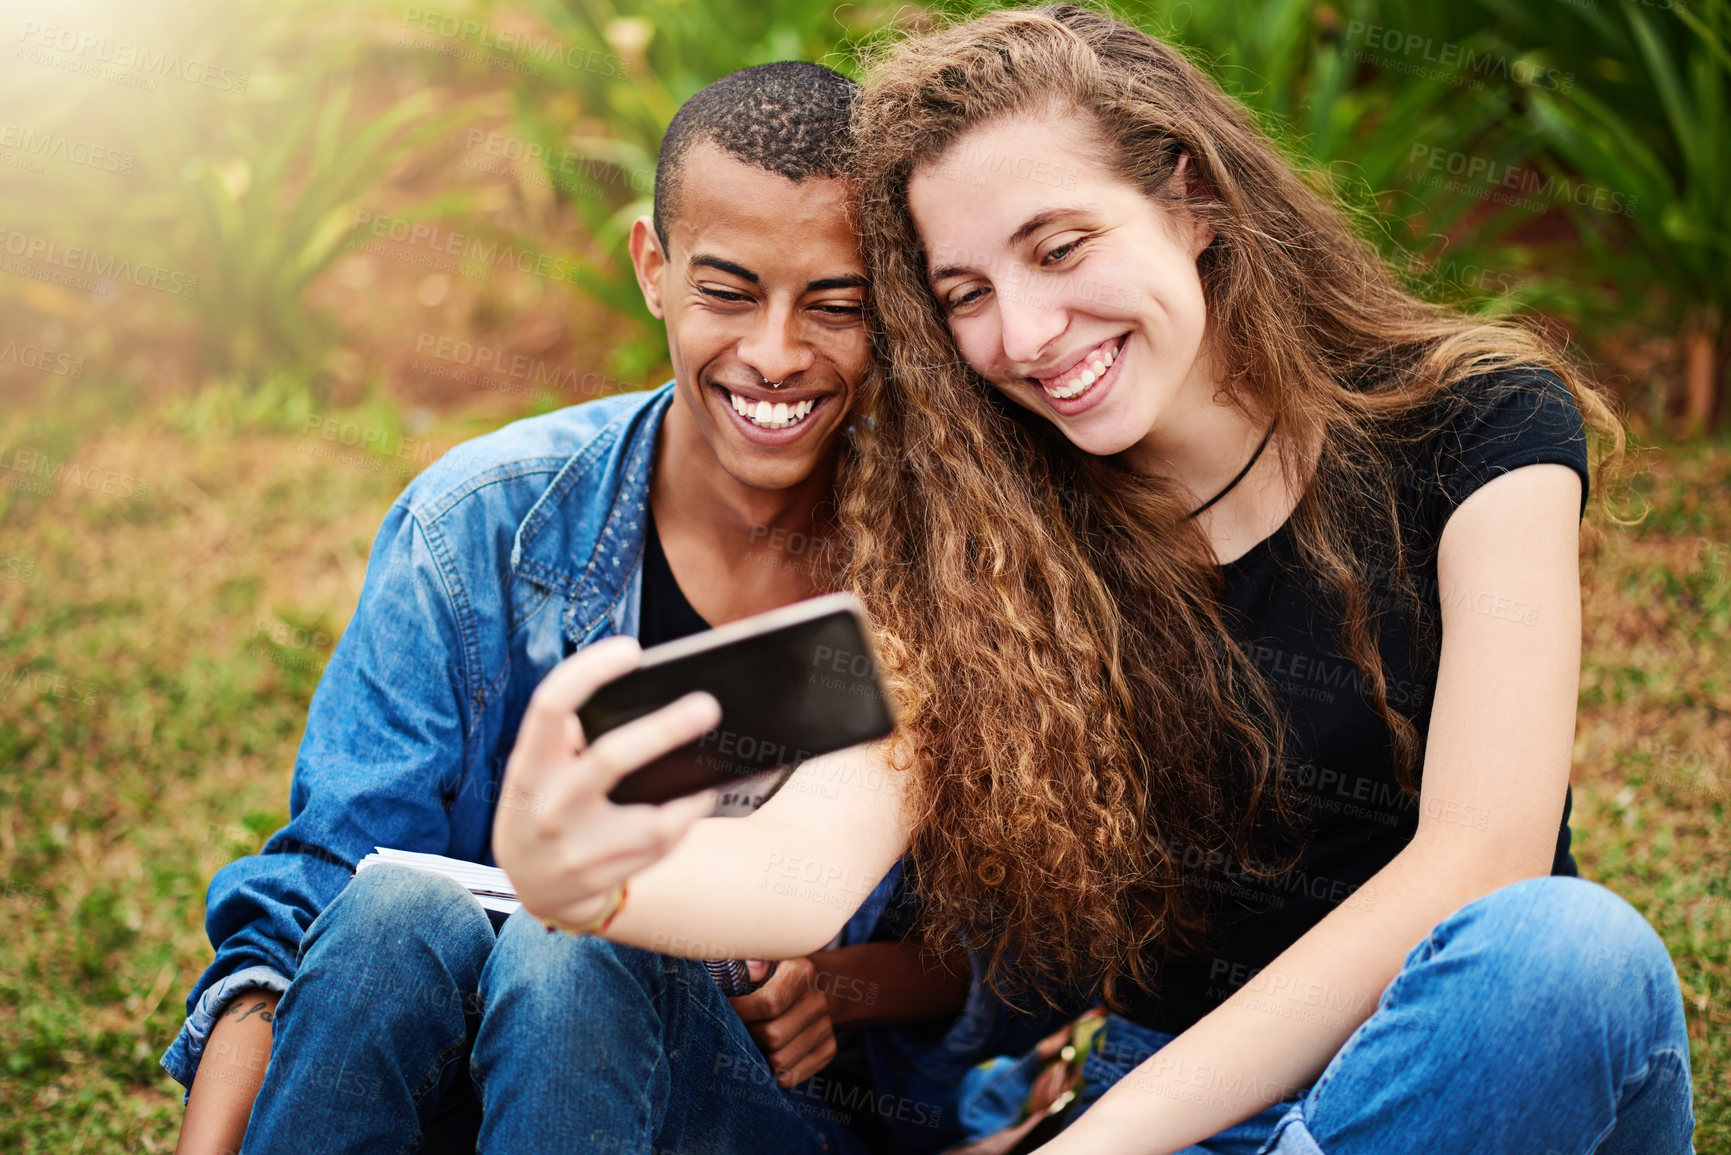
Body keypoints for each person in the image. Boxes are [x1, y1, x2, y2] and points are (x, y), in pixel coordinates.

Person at [494, 8, 1696, 1154]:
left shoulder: (1477, 428)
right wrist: (583, 875)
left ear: (1194, 198)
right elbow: (799, 862)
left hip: (1468, 1081)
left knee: (1565, 952)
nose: (1024, 333)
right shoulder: (991, 545)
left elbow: (1482, 853)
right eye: (965, 294)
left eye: (1060, 247)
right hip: (1156, 1110)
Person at [166, 62, 1023, 1155]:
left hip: (751, 1114)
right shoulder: (479, 526)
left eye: (837, 305)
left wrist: (834, 988)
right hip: (468, 1093)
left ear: (893, 309)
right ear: (652, 269)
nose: (773, 354)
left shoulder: (942, 565)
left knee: (581, 944)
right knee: (392, 919)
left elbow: (987, 951)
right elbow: (313, 903)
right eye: (727, 291)